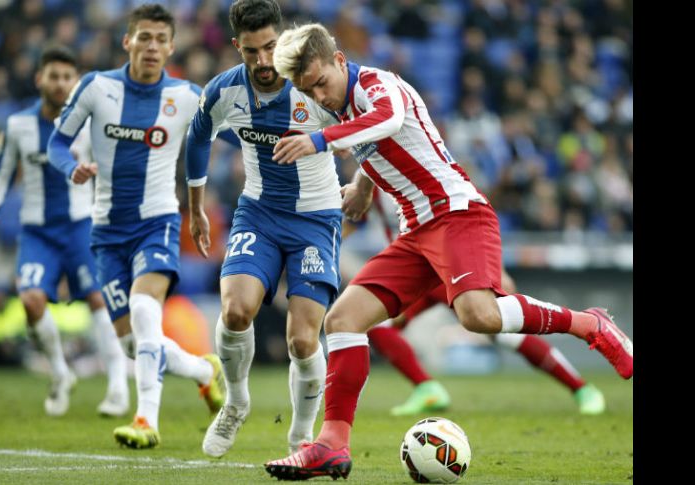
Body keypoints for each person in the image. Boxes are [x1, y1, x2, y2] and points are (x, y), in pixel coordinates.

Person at [263, 23, 633, 480]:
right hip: (416, 232)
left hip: (458, 214)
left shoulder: (380, 84)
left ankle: (590, 324)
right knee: (343, 319)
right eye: (308, 90)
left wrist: (319, 140)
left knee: (478, 315)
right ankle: (332, 444)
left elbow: (389, 120)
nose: (318, 96)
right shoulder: (339, 109)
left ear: (340, 61)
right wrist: (361, 184)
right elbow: (380, 143)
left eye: (321, 82)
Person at [47, 4, 225, 449]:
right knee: (131, 345)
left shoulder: (187, 96)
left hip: (157, 223)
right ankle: (205, 371)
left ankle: (146, 419)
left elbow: (216, 138)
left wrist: (198, 204)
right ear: (127, 41)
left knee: (147, 313)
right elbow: (57, 143)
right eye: (142, 37)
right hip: (106, 232)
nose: (151, 46)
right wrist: (71, 168)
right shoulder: (96, 87)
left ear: (171, 46)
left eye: (160, 39)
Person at [185, 0, 342, 457]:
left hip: (316, 218)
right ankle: (235, 403)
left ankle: (300, 435)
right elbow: (198, 136)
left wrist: (365, 188)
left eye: (271, 48)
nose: (263, 61)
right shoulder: (223, 91)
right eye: (251, 51)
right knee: (235, 311)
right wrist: (196, 207)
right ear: (237, 46)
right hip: (259, 213)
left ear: (283, 40)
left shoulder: (311, 88)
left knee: (301, 339)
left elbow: (366, 133)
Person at [349, 193, 605, 416]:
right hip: (410, 271)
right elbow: (353, 218)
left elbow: (469, 210)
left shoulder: (420, 164)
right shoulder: (374, 173)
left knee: (503, 332)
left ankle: (581, 388)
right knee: (375, 324)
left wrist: (496, 268)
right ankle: (427, 389)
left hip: (448, 268)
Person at [0, 45, 128, 418]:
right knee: (31, 300)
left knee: (100, 299)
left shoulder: (89, 122)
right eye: (54, 76)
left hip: (82, 226)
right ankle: (61, 373)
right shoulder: (17, 126)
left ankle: (117, 385)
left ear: (75, 81)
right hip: (37, 232)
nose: (61, 83)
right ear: (40, 79)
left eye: (68, 77)